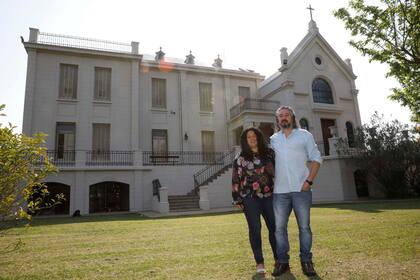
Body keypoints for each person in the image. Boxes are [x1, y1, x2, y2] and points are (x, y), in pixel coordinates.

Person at [271, 106, 322, 277]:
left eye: (287, 115)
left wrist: (309, 181)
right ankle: (283, 262)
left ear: (292, 117)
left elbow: (316, 159)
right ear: (277, 120)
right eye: (281, 116)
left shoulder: (305, 135)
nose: (284, 118)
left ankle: (306, 261)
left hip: (302, 190)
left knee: (304, 227)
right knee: (279, 229)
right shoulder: (273, 140)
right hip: (279, 191)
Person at [232, 127, 277, 275]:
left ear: (258, 137)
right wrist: (236, 197)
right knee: (255, 230)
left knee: (275, 229)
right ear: (245, 141)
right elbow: (236, 179)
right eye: (248, 137)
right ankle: (260, 262)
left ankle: (279, 260)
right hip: (250, 199)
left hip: (270, 196)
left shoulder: (270, 154)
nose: (251, 139)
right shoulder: (240, 159)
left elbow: (279, 171)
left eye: (254, 136)